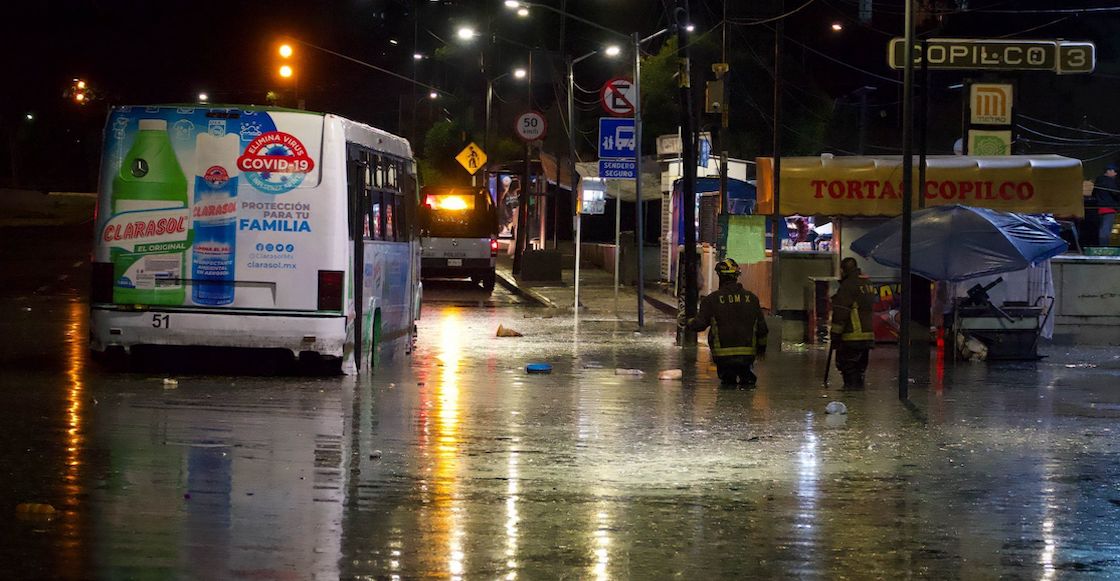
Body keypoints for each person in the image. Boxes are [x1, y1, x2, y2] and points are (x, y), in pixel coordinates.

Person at [684, 258, 769, 386]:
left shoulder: (711, 300)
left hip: (723, 356)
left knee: (727, 385)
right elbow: (763, 329)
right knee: (748, 384)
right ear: (736, 276)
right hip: (747, 356)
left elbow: (700, 325)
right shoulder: (752, 299)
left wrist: (688, 321)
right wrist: (761, 351)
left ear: (720, 276)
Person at [831, 257, 875, 389]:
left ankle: (851, 395)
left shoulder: (848, 285)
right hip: (867, 334)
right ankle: (859, 395)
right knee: (860, 368)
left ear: (843, 270)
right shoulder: (867, 283)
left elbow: (841, 312)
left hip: (852, 334)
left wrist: (834, 334)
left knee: (848, 366)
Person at [1091, 164, 1119, 246]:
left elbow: (1094, 194)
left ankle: (1102, 245)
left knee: (1102, 227)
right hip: (1109, 208)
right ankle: (1104, 247)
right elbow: (1115, 193)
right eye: (1115, 171)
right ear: (1108, 171)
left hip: (1099, 207)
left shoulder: (1098, 181)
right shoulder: (1109, 181)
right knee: (1106, 228)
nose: (1116, 174)